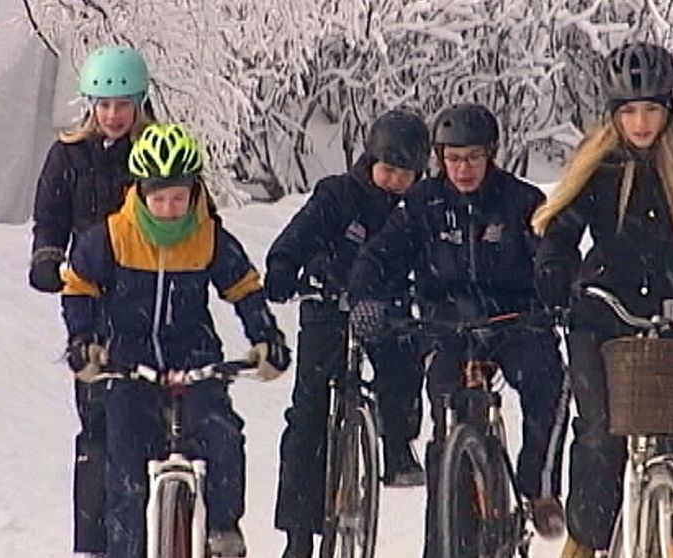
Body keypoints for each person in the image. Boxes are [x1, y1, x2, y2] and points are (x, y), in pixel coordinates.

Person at [530, 42, 673, 558]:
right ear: (614, 113)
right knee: (598, 437)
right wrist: (553, 274)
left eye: (651, 110)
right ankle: (585, 544)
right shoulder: (601, 161)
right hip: (600, 311)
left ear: (669, 107)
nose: (641, 123)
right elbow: (561, 230)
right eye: (630, 111)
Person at [348, 103, 570, 557]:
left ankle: (538, 488)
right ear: (438, 158)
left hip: (514, 321)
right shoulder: (422, 204)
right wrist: (365, 297)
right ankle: (443, 537)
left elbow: (556, 255)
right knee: (444, 414)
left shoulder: (521, 201)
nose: (462, 169)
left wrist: (559, 296)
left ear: (491, 155)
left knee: (549, 381)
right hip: (446, 324)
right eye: (452, 159)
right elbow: (379, 254)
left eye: (472, 158)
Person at [61, 122, 291, 558]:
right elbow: (80, 287)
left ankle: (224, 530)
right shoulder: (111, 236)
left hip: (194, 354)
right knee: (125, 463)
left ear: (195, 193)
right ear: (141, 193)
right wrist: (84, 339)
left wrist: (266, 335)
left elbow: (243, 287)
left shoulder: (208, 237)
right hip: (129, 359)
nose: (169, 209)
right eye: (160, 198)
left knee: (222, 434)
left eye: (179, 198)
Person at [266, 109, 430, 558]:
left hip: (389, 314)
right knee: (307, 417)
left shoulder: (419, 208)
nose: (395, 181)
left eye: (406, 174)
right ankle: (299, 535)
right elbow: (296, 237)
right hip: (329, 310)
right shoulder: (337, 195)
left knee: (403, 371)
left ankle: (396, 444)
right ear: (370, 160)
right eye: (388, 170)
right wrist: (284, 268)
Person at [27, 45, 154, 558]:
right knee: (99, 418)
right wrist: (46, 257)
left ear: (139, 103)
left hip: (150, 295)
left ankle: (164, 525)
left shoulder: (157, 153)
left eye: (122, 104)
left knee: (155, 413)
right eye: (103, 105)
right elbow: (50, 217)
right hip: (90, 297)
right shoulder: (69, 155)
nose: (112, 115)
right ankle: (96, 543)